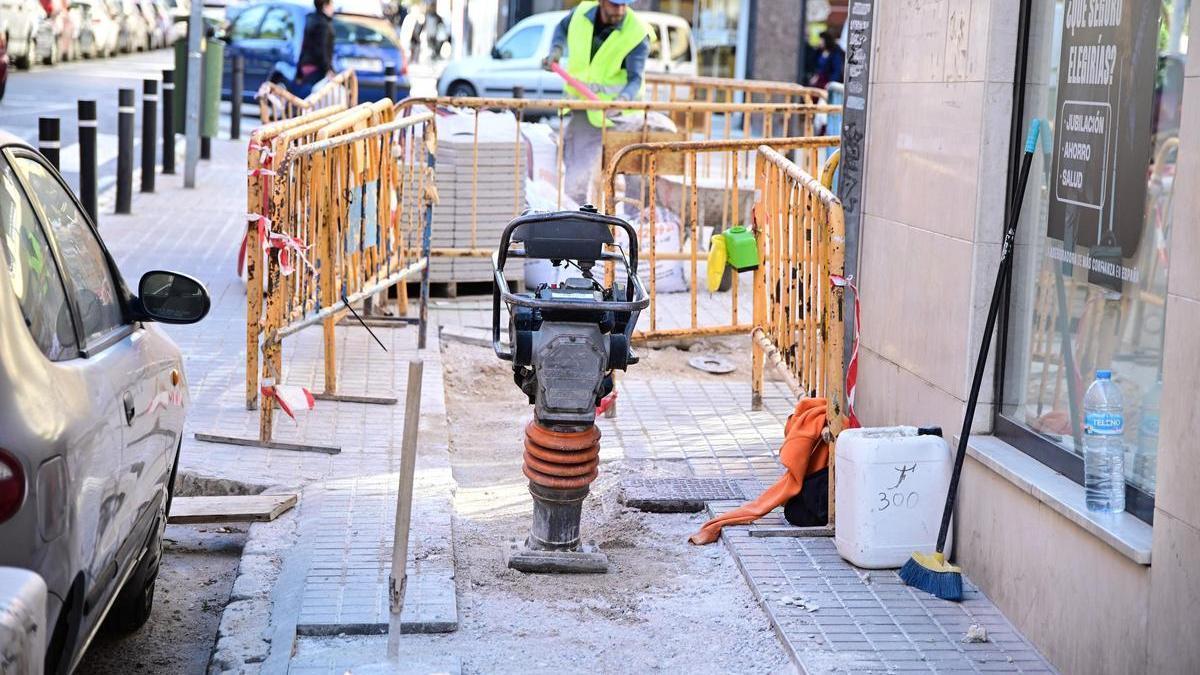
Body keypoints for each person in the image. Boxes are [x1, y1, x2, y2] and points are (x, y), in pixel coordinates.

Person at [542, 0, 649, 206]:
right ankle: (577, 219)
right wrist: (556, 49)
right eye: (615, 4)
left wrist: (622, 100)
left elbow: (636, 78)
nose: (620, 10)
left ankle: (636, 224)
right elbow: (561, 28)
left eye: (624, 5)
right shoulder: (581, 14)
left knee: (633, 175)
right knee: (577, 177)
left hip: (620, 117)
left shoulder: (636, 32)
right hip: (585, 108)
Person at [296, 0, 336, 92]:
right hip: (318, 68)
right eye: (332, 5)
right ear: (326, 6)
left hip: (306, 67)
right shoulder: (324, 25)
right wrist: (328, 69)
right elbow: (322, 49)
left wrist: (299, 73)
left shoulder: (311, 20)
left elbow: (304, 46)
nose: (333, 9)